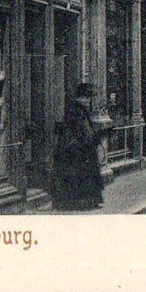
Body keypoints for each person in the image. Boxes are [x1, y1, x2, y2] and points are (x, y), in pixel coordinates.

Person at [52, 83, 103, 211]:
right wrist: (91, 141)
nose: (88, 101)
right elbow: (82, 130)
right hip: (78, 149)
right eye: (86, 98)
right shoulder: (79, 111)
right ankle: (82, 202)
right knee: (82, 175)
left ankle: (86, 201)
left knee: (83, 175)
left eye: (88, 99)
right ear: (82, 97)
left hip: (78, 148)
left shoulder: (78, 110)